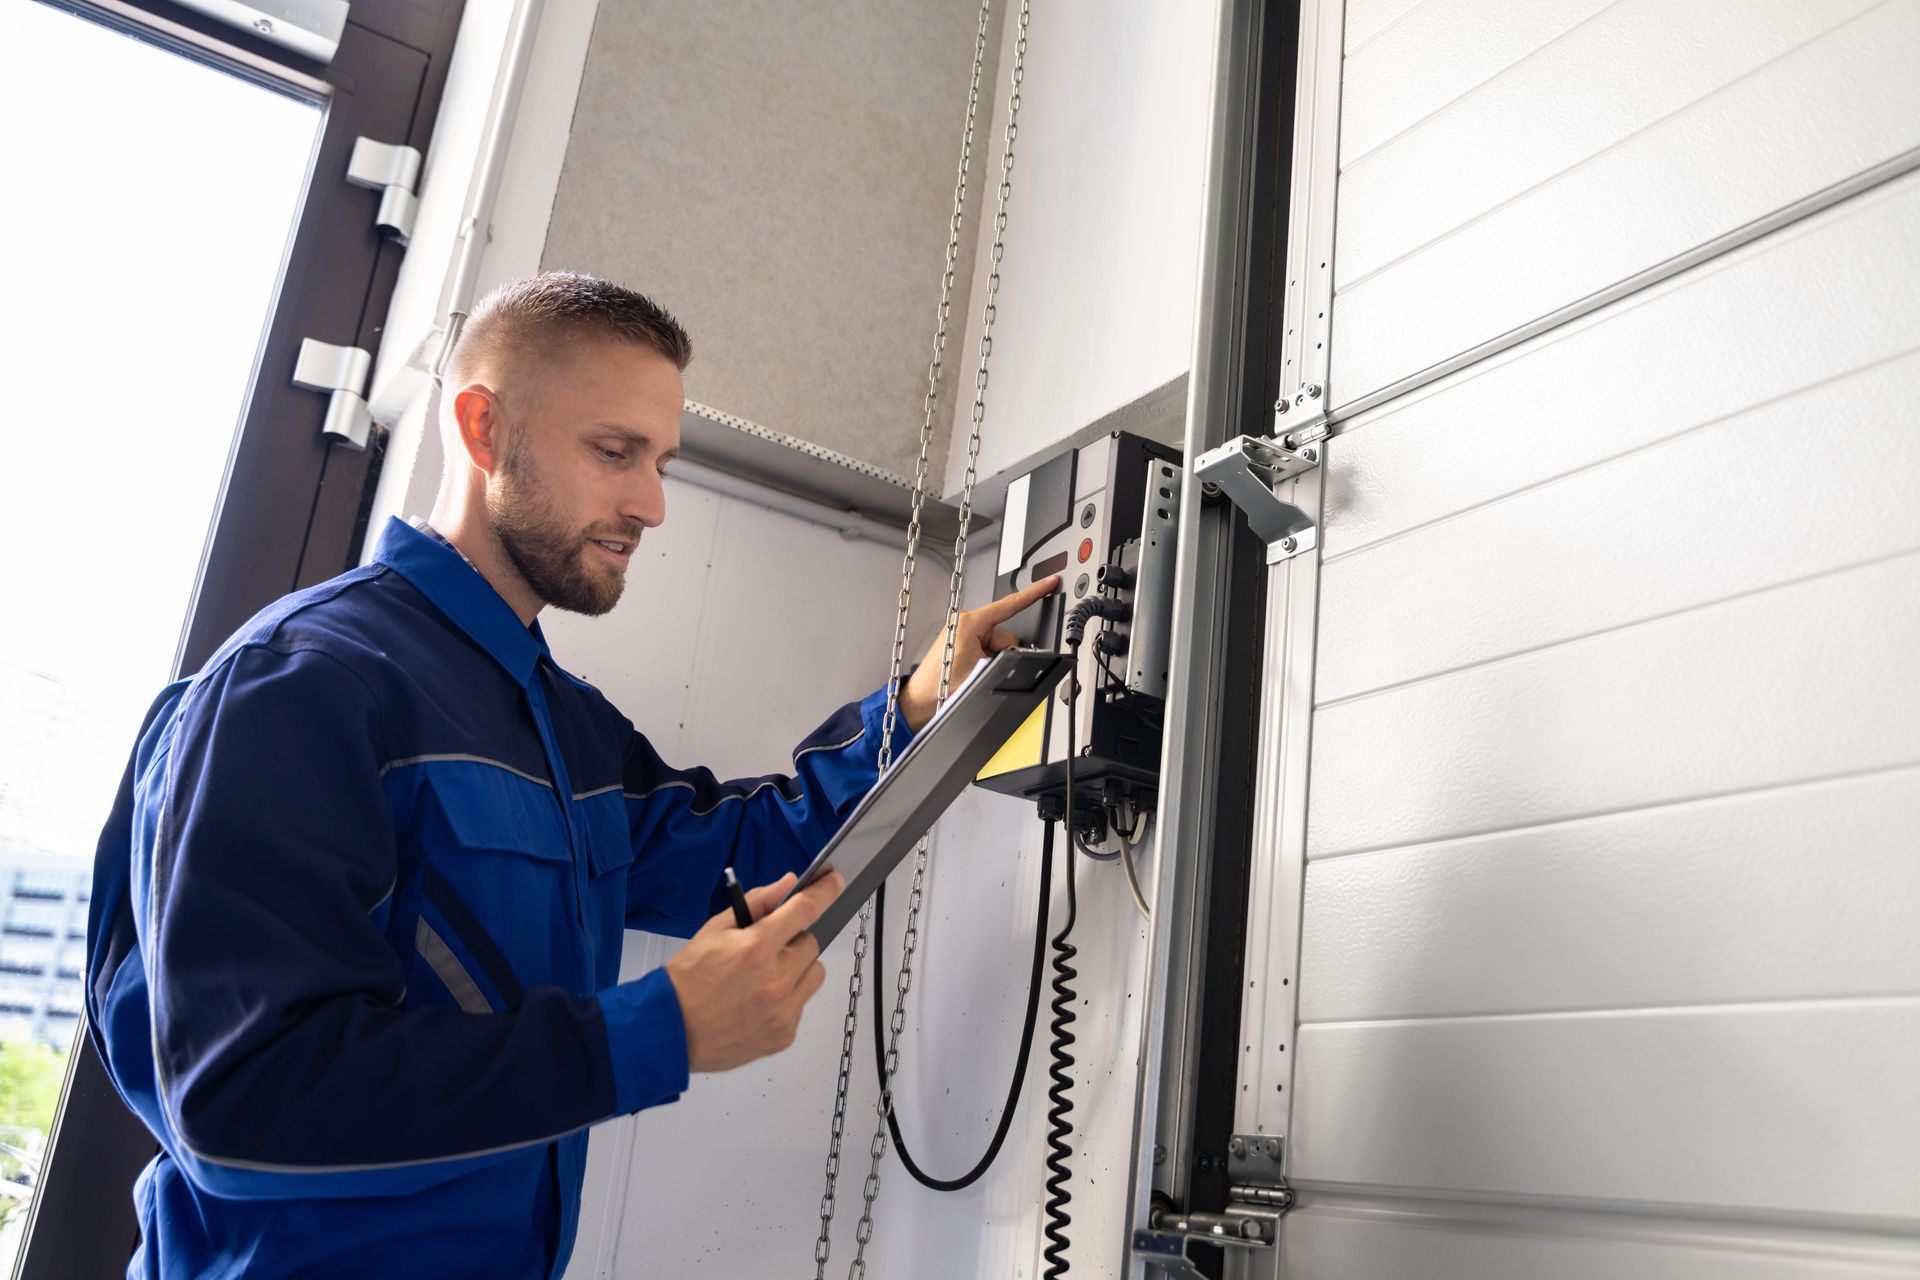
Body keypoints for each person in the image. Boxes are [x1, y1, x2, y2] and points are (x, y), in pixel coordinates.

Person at [85, 272, 1058, 1279]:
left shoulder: (563, 727)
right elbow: (240, 1101)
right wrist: (653, 1033)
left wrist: (912, 710)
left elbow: (743, 849)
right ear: (482, 427)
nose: (651, 502)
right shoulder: (300, 685)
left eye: (660, 461)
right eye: (613, 451)